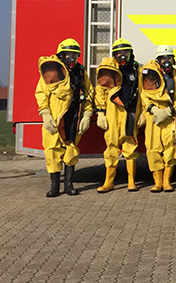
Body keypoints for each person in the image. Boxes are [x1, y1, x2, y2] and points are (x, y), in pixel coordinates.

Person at [35, 38, 93, 197]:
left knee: (71, 149)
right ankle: (55, 186)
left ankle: (69, 185)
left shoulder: (81, 72)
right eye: (68, 54)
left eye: (74, 54)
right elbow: (41, 94)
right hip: (55, 117)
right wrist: (45, 114)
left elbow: (89, 94)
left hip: (73, 115)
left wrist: (87, 114)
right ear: (61, 56)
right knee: (52, 149)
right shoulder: (51, 72)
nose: (71, 58)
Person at [94, 38, 142, 193]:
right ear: (114, 55)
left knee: (130, 145)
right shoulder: (109, 69)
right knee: (112, 146)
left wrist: (145, 114)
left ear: (130, 54)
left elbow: (143, 92)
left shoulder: (137, 71)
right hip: (113, 112)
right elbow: (100, 91)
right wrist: (101, 112)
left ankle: (131, 182)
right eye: (119, 53)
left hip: (131, 112)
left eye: (125, 53)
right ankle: (109, 182)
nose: (122, 56)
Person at [139, 45, 176, 193]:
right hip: (154, 117)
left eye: (169, 58)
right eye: (163, 58)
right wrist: (152, 109)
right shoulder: (150, 74)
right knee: (153, 148)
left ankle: (167, 182)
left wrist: (171, 110)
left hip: (171, 117)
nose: (166, 61)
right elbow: (143, 94)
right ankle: (157, 182)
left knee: (171, 149)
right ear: (158, 60)